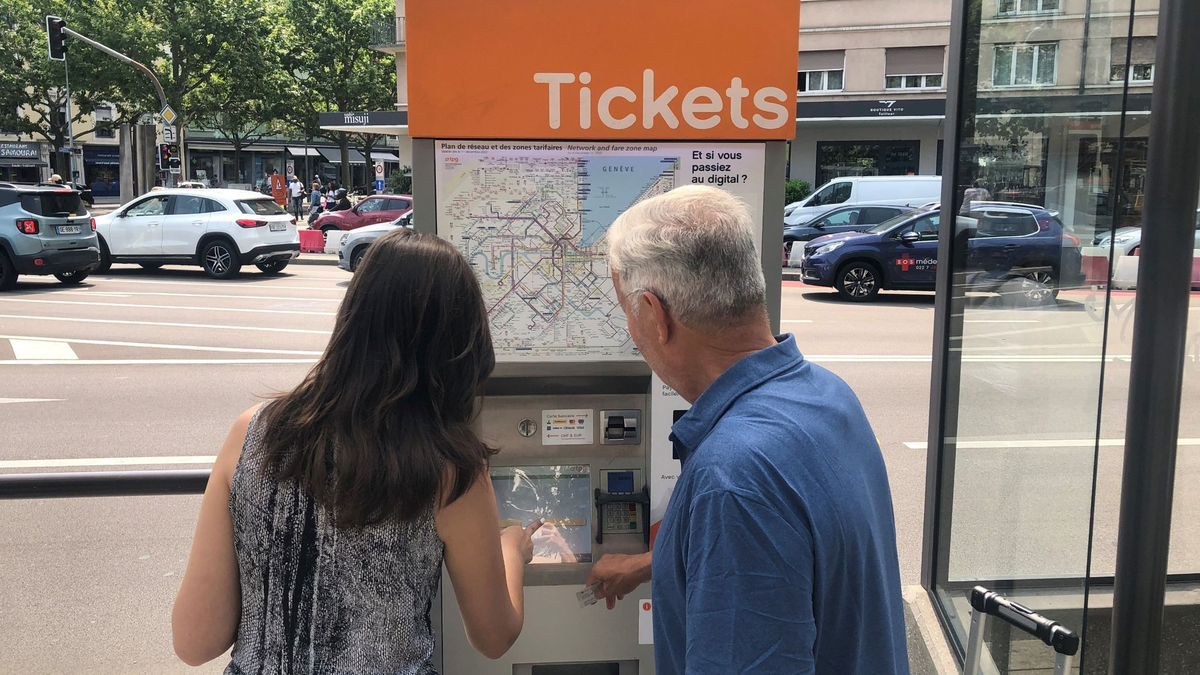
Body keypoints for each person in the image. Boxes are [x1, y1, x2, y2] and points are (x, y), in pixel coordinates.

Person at [172, 229, 544, 671]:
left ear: (352, 318)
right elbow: (494, 635)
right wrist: (511, 550)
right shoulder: (449, 469)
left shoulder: (252, 433)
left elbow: (194, 641)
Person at [587, 185, 908, 674]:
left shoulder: (734, 476)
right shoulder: (826, 394)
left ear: (654, 316)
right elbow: (796, 553)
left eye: (626, 311)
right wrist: (655, 564)